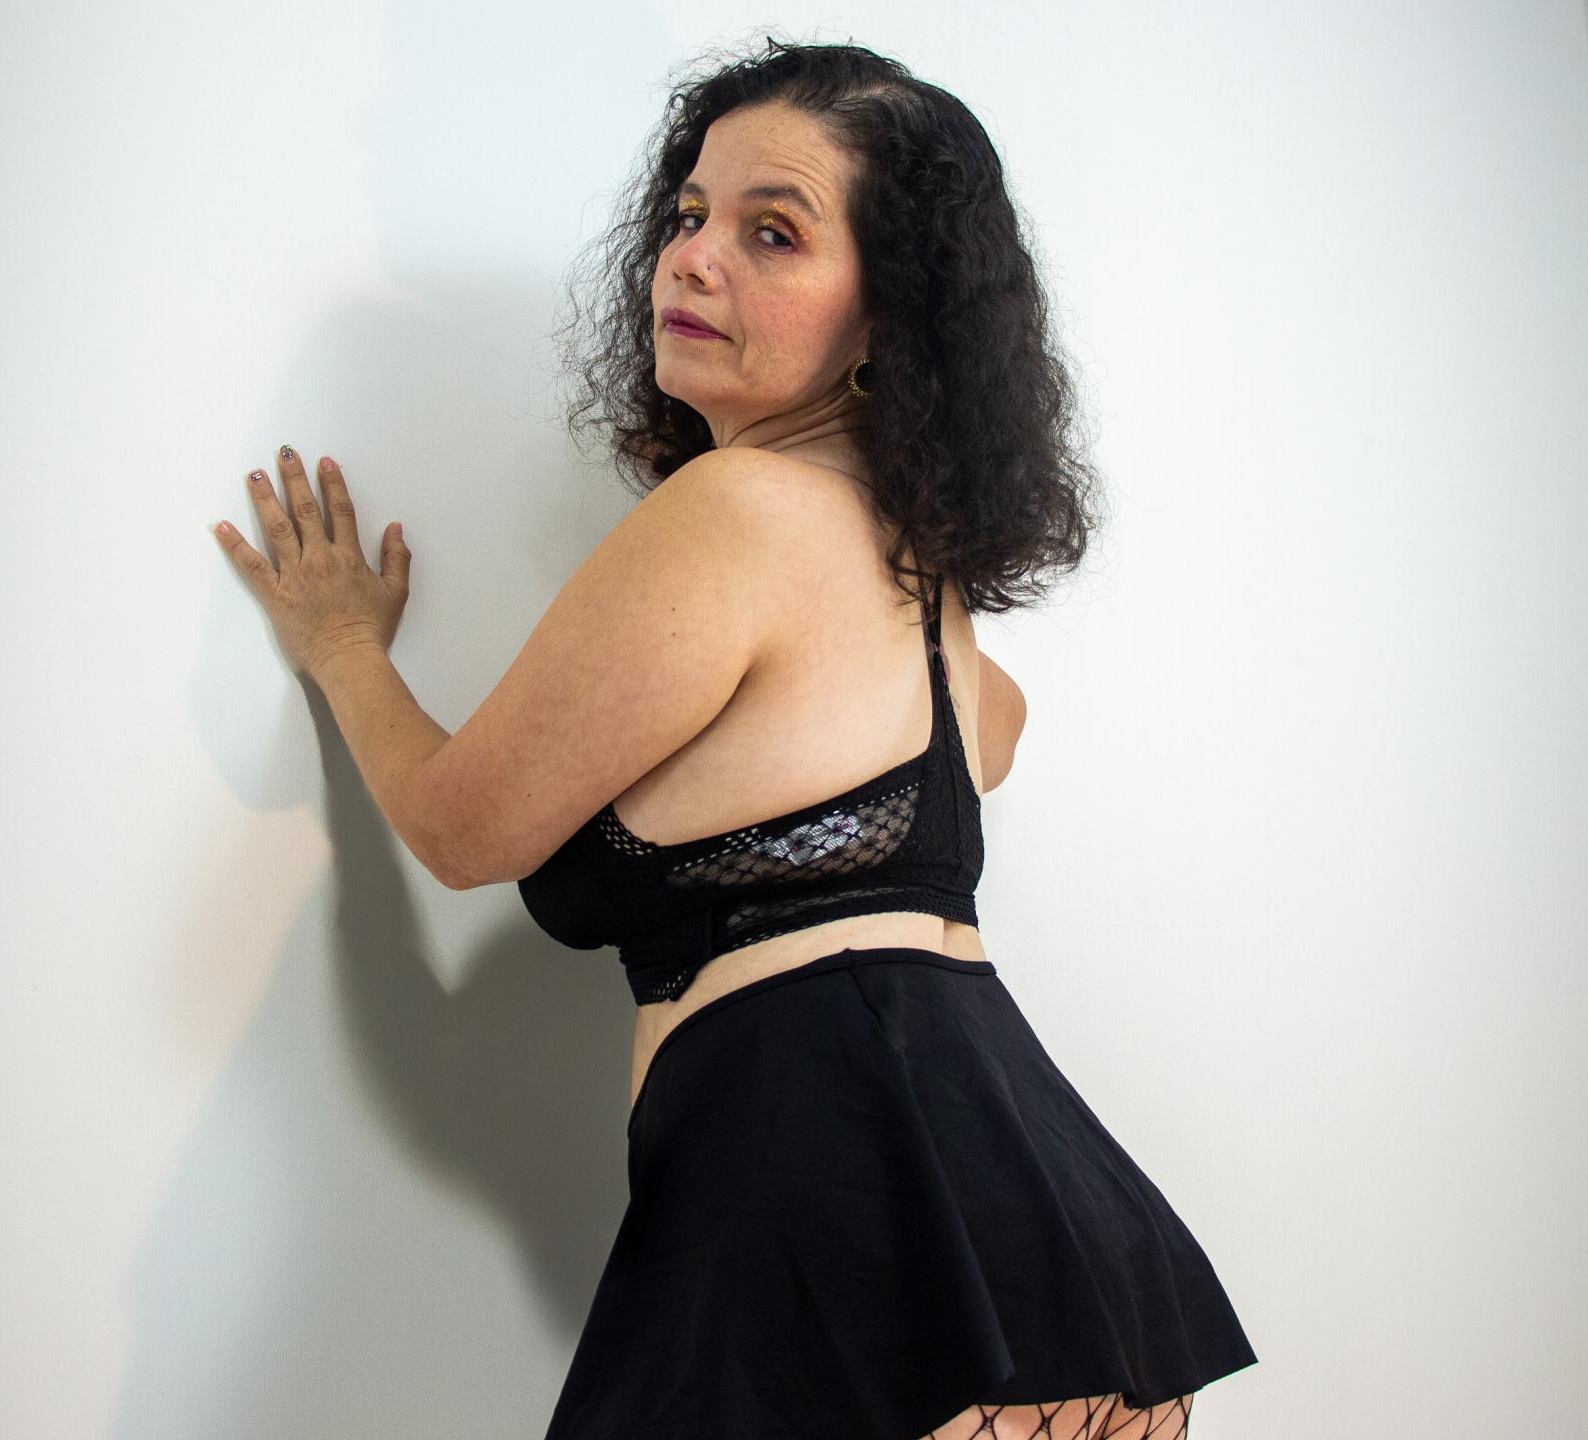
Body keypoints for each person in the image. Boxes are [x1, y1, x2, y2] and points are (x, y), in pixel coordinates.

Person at [215, 35, 1257, 1440]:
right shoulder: (923, 593)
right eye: (691, 213)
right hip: (1039, 1236)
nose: (693, 259)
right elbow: (997, 732)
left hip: (830, 1221)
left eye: (775, 232)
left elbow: (463, 829)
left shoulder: (737, 510)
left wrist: (345, 647)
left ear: (892, 312)